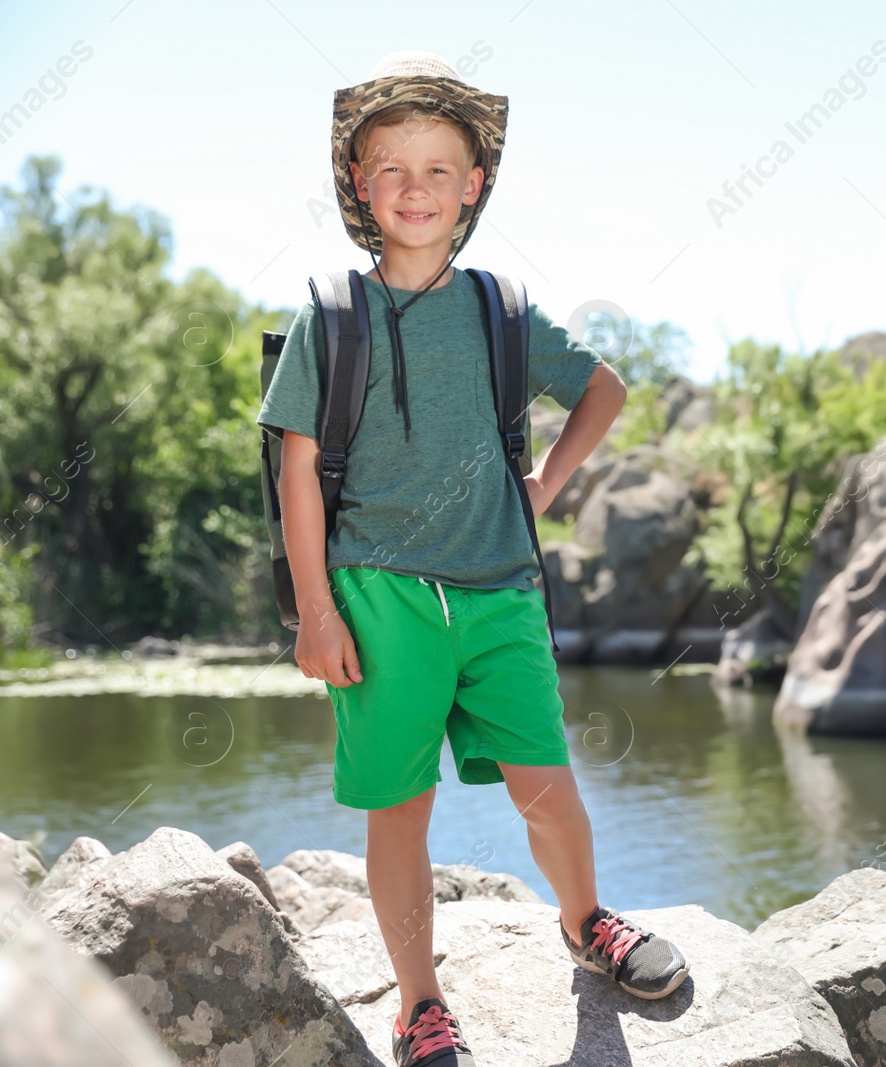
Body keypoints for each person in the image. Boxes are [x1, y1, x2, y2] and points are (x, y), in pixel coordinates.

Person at [256, 50, 688, 1067]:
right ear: (362, 187)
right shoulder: (328, 315)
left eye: (439, 168)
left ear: (474, 186)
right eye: (392, 169)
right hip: (377, 595)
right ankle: (420, 1002)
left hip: (501, 590)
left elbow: (606, 388)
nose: (416, 188)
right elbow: (299, 475)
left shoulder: (501, 310)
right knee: (399, 806)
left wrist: (542, 484)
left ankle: (586, 922)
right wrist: (317, 611)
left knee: (548, 784)